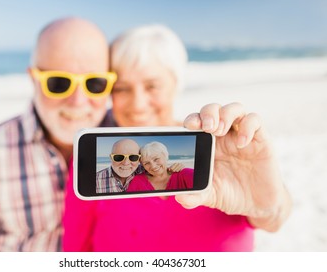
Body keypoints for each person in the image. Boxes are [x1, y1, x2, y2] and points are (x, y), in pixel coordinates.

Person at [63, 24, 292, 251]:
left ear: (176, 84)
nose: (138, 104)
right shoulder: (91, 163)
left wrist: (268, 206)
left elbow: (274, 218)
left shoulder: (223, 153)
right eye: (122, 89)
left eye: (152, 86)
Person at [0, 17, 116, 251]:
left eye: (95, 84)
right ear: (34, 78)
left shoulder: (128, 142)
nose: (78, 102)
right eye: (59, 83)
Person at [127, 141, 194, 192]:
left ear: (165, 155)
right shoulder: (138, 181)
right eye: (146, 163)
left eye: (156, 159)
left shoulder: (183, 174)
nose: (153, 166)